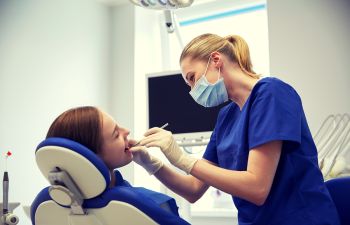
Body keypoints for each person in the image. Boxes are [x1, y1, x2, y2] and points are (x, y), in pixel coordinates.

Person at [130, 33, 340, 225]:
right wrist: (152, 164)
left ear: (216, 60)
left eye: (192, 78)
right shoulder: (226, 117)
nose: (192, 90)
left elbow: (257, 188)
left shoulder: (271, 94)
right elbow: (194, 189)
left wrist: (182, 158)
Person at [45, 106, 190, 225]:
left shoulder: (45, 207)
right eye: (116, 134)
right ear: (89, 157)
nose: (127, 131)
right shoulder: (140, 204)